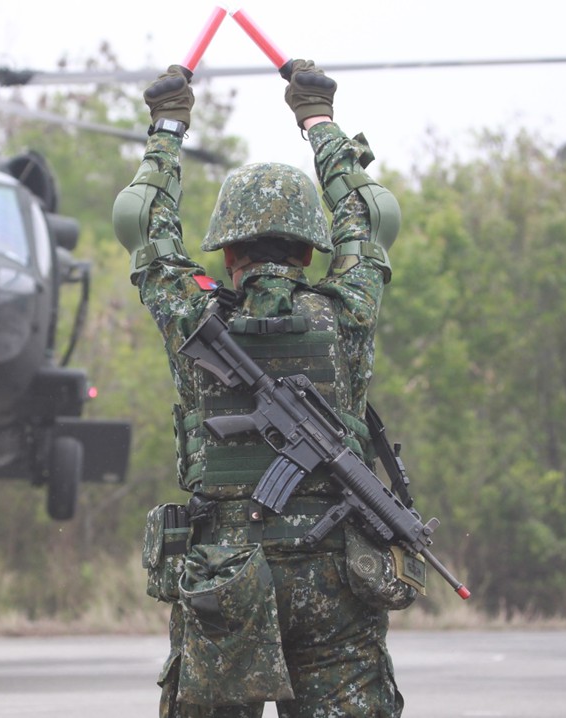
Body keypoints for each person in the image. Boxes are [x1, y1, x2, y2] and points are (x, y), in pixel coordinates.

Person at [114, 61, 414, 717]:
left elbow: (143, 224)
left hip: (226, 575)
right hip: (335, 581)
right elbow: (369, 216)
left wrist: (167, 128)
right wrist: (319, 119)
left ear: (226, 255)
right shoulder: (349, 313)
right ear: (311, 253)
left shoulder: (192, 317)